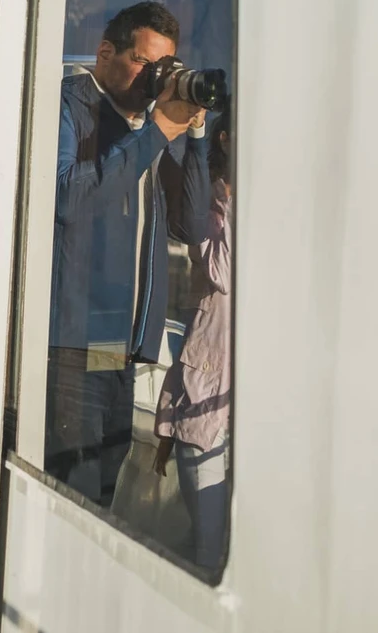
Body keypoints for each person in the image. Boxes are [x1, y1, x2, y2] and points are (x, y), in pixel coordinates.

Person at [47, 1, 210, 506]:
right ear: (105, 53)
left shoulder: (144, 129)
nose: (152, 78)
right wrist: (155, 133)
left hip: (125, 348)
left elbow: (193, 223)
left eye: (164, 68)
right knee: (70, 498)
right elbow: (67, 199)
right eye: (144, 62)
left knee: (100, 502)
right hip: (72, 343)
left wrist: (195, 133)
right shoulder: (67, 108)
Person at [154, 113, 232, 569]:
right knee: (208, 552)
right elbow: (224, 271)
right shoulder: (211, 209)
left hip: (246, 414)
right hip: (204, 411)